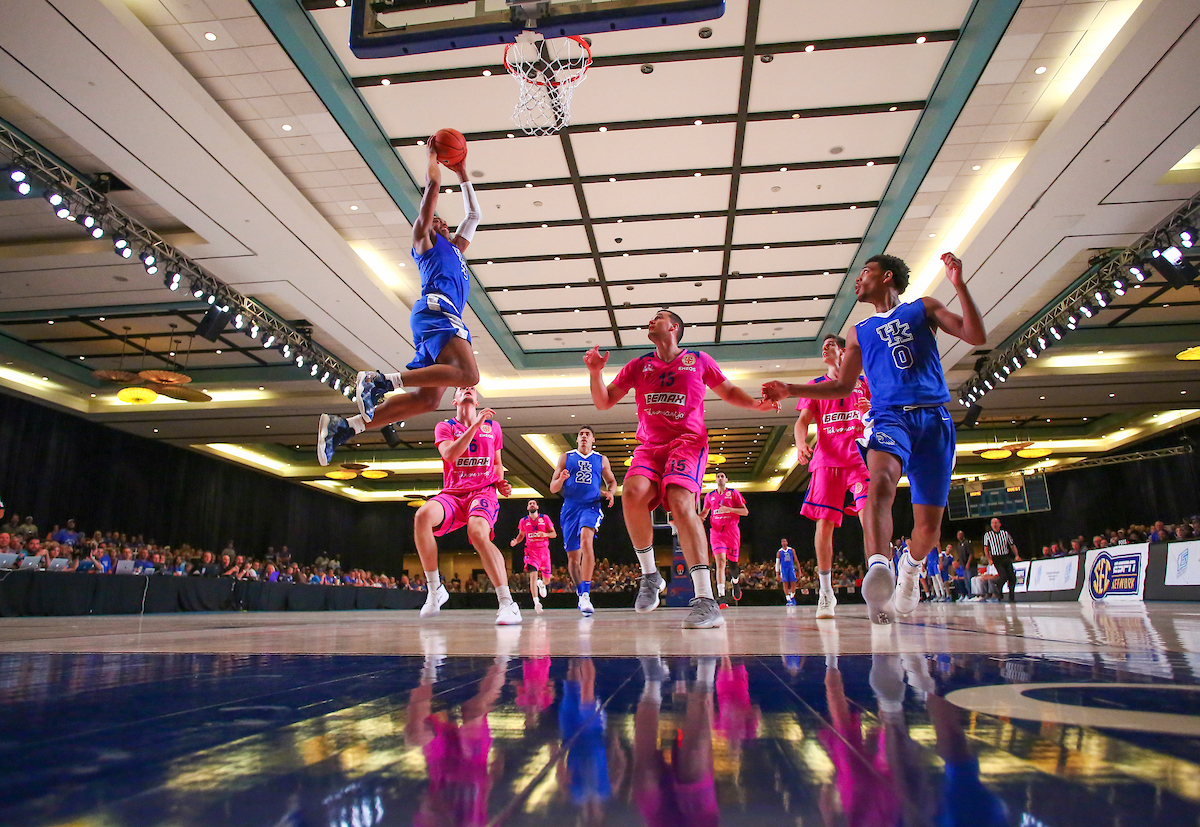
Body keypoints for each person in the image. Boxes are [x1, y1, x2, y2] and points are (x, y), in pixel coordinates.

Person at [763, 252, 986, 624]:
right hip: (889, 417)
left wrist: (960, 285)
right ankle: (879, 565)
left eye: (864, 272)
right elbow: (842, 385)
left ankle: (911, 570)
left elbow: (975, 335)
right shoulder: (859, 331)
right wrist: (790, 388)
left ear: (886, 277)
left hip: (933, 420)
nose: (857, 279)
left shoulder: (923, 308)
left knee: (929, 528)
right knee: (879, 481)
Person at [586, 309, 778, 629]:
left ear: (674, 327)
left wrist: (756, 404)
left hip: (687, 442)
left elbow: (728, 390)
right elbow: (604, 401)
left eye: (658, 317)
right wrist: (595, 372)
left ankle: (705, 599)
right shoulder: (639, 365)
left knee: (679, 500)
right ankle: (650, 576)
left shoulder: (699, 359)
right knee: (631, 493)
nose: (651, 320)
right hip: (650, 446)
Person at [317, 141, 483, 465]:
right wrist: (433, 159)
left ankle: (343, 428)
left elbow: (474, 214)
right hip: (437, 308)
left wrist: (463, 172)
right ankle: (380, 381)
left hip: (440, 315)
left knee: (427, 401)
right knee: (469, 375)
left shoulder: (456, 250)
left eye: (443, 221)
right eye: (437, 220)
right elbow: (433, 185)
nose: (443, 222)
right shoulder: (424, 243)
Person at [414, 386, 521, 626]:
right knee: (422, 516)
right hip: (453, 493)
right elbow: (450, 455)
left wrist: (501, 481)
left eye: (471, 387)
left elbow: (496, 464)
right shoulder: (445, 427)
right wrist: (474, 425)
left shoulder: (493, 427)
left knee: (477, 533)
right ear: (455, 400)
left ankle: (507, 603)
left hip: (482, 491)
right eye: (462, 388)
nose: (468, 389)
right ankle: (435, 590)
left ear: (477, 398)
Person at [793, 333, 871, 619]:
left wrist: (870, 411)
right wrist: (801, 443)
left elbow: (882, 415)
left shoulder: (864, 383)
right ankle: (826, 592)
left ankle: (879, 579)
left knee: (869, 517)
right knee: (824, 526)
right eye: (822, 347)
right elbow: (801, 423)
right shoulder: (815, 386)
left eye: (830, 345)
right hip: (827, 460)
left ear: (843, 351)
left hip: (858, 455)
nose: (824, 349)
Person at [549, 425, 616, 616]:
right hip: (570, 507)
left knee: (587, 541)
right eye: (581, 434)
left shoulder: (600, 459)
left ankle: (586, 593)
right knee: (572, 559)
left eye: (588, 434)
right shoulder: (566, 457)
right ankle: (580, 592)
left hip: (591, 505)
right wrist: (561, 479)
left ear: (593, 440)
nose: (584, 437)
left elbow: (612, 481)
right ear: (576, 440)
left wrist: (610, 493)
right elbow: (553, 488)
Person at [699, 471, 749, 601]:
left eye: (722, 476)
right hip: (716, 533)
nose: (720, 478)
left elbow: (745, 511)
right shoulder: (709, 496)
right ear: (715, 480)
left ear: (726, 479)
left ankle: (735, 582)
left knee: (733, 565)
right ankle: (721, 595)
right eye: (718, 476)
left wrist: (730, 509)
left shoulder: (733, 493)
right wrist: (697, 519)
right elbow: (705, 512)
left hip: (731, 531)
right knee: (720, 562)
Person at [510, 499, 556, 614]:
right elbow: (521, 535)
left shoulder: (544, 518)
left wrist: (545, 534)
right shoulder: (523, 521)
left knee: (547, 580)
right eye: (529, 503)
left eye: (533, 503)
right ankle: (536, 602)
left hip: (544, 552)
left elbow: (554, 534)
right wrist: (516, 541)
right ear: (527, 508)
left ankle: (542, 584)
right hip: (531, 552)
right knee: (533, 577)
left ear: (537, 507)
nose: (531, 505)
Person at [982, 516, 1021, 604]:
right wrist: (989, 559)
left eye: (996, 523)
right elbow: (986, 548)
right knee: (1003, 576)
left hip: (1005, 556)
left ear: (999, 524)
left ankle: (1012, 597)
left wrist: (1017, 555)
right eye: (993, 523)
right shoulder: (988, 535)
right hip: (996, 557)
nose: (994, 525)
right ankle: (998, 588)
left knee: (1012, 578)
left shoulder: (1005, 533)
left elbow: (1012, 545)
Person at [776, 538, 797, 605]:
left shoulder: (791, 550)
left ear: (787, 542)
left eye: (785, 541)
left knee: (793, 583)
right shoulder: (779, 552)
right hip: (783, 569)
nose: (784, 543)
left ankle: (792, 597)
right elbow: (777, 563)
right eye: (782, 542)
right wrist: (777, 573)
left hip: (791, 568)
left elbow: (796, 560)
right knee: (785, 584)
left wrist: (799, 570)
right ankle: (788, 599)